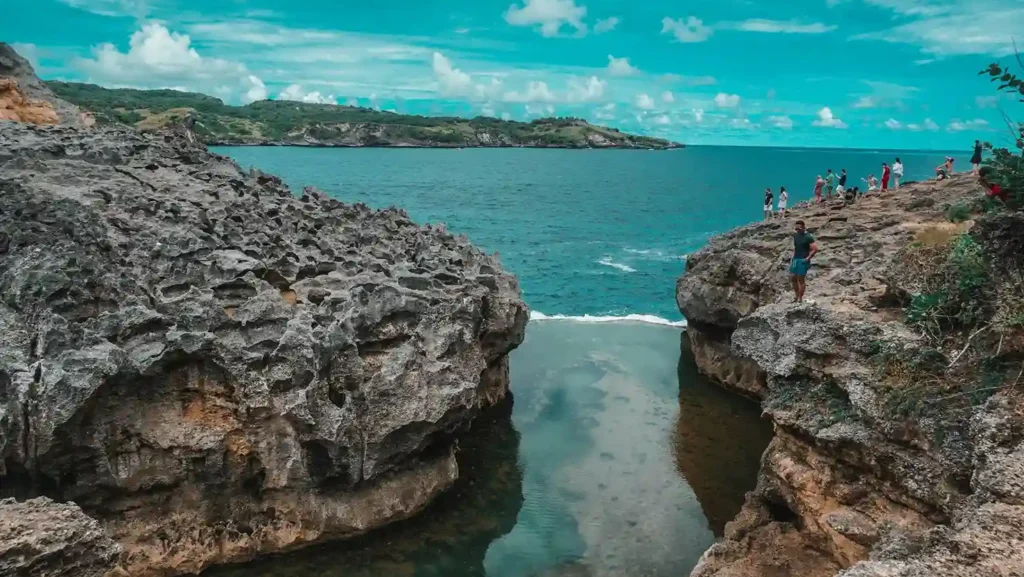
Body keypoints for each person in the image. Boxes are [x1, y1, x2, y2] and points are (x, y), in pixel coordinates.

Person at [790, 220, 818, 303]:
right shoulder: (795, 236)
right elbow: (796, 247)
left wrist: (808, 258)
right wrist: (793, 257)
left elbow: (815, 249)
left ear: (803, 227)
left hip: (803, 260)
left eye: (799, 228)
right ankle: (796, 296)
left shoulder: (808, 237)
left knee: (800, 279)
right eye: (796, 228)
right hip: (795, 259)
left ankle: (800, 298)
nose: (797, 230)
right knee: (793, 278)